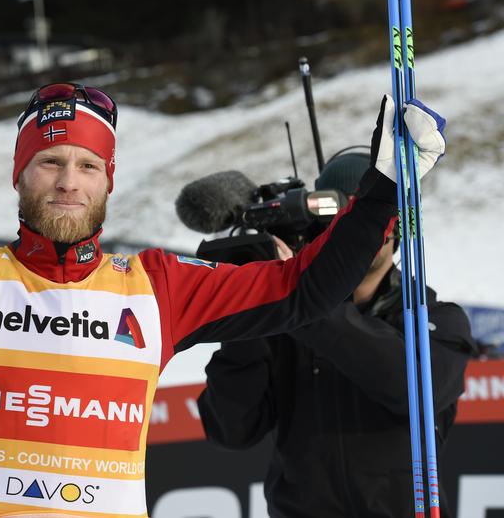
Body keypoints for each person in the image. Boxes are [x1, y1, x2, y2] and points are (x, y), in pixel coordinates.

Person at [0, 35, 447, 518]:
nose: (68, 181)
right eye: (51, 162)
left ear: (107, 182)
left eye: (87, 166)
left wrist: (384, 189)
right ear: (21, 175)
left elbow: (305, 292)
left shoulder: (157, 288)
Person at [197, 149, 478, 518]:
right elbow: (231, 430)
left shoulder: (438, 320)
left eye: (368, 215)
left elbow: (411, 388)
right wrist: (249, 304)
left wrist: (303, 298)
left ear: (398, 226)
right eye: (343, 219)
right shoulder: (285, 322)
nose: (356, 231)